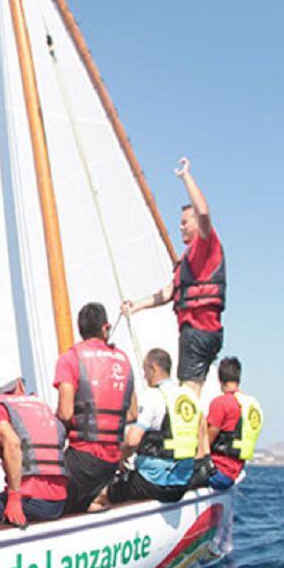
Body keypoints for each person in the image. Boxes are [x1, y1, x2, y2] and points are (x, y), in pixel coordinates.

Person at [121, 157, 225, 395]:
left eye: (184, 223)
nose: (180, 227)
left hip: (198, 329)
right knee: (191, 391)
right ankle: (196, 431)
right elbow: (168, 293)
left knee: (188, 393)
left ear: (196, 224)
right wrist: (135, 306)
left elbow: (204, 212)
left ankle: (190, 433)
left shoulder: (206, 245)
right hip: (201, 330)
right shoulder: (188, 262)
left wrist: (185, 177)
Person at [54, 302, 137, 513]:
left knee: (47, 497)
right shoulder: (123, 360)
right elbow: (133, 413)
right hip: (113, 459)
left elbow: (65, 413)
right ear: (105, 328)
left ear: (80, 329)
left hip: (83, 458)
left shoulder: (70, 358)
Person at [100, 348, 199, 506]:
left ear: (154, 368)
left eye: (145, 370)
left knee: (99, 496)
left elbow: (132, 441)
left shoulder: (152, 395)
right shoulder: (189, 396)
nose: (145, 376)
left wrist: (114, 459)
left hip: (155, 482)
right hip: (182, 482)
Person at [0, 373, 69, 530]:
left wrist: (14, 498)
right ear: (20, 385)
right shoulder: (41, 405)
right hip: (59, 500)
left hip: (30, 499)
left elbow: (12, 443)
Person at [206, 356, 263, 490]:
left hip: (218, 473)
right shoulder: (252, 405)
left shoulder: (221, 403)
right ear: (239, 378)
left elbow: (206, 442)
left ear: (219, 378)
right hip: (235, 472)